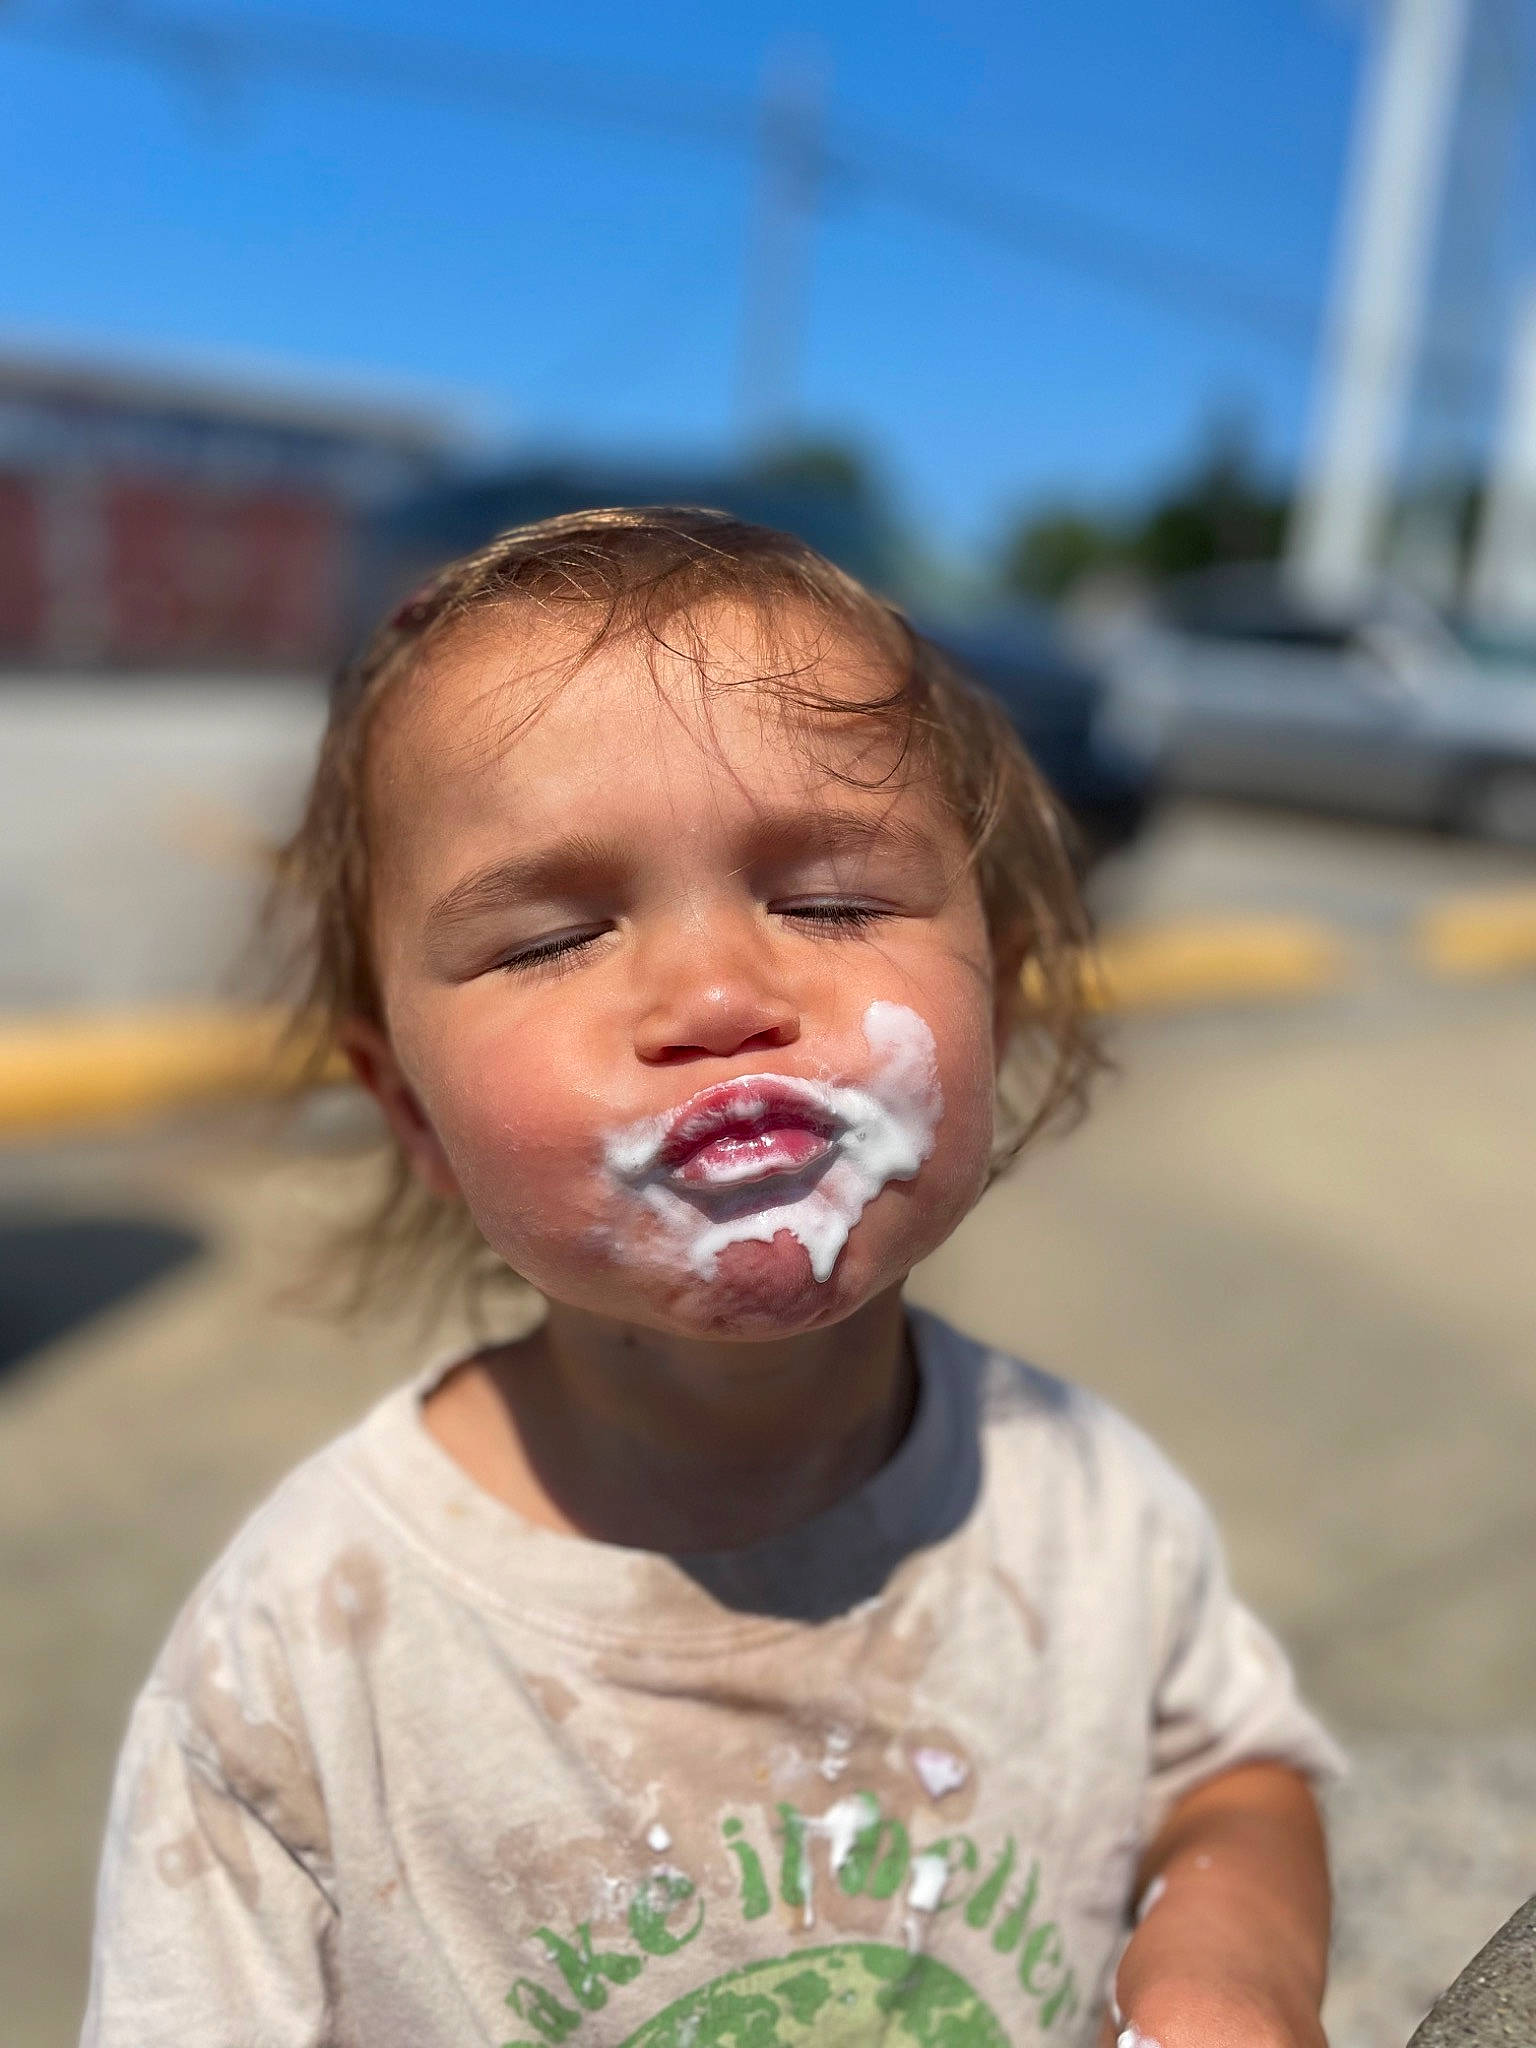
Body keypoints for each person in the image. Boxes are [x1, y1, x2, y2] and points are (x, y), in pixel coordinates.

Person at [82, 508, 1341, 2048]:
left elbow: (1235, 1774)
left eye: (830, 902)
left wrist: (1230, 1970)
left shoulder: (1084, 1506)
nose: (720, 996)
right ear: (411, 1111)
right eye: (552, 936)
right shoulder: (298, 1665)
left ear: (999, 1005)